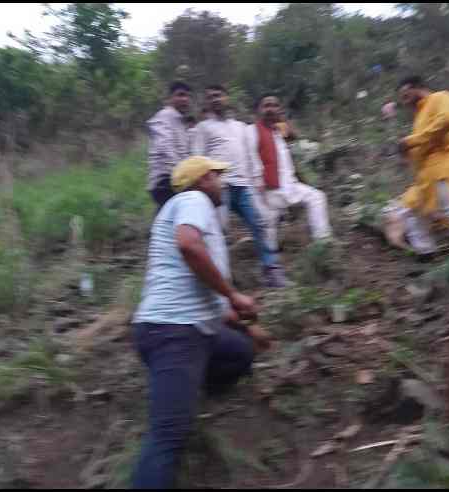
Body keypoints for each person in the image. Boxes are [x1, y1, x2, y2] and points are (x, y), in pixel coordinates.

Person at [130, 156, 273, 488]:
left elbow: (210, 299)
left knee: (240, 352)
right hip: (172, 333)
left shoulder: (197, 217)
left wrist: (247, 326)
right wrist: (235, 295)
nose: (221, 182)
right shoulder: (193, 201)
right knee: (168, 435)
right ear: (203, 179)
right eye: (217, 176)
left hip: (193, 330)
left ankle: (192, 387)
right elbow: (187, 246)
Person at [192, 85, 288, 288]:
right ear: (206, 103)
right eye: (211, 97)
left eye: (218, 95)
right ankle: (222, 280)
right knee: (219, 232)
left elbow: (251, 155)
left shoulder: (241, 127)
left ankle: (271, 271)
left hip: (244, 185)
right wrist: (205, 187)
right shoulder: (203, 128)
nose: (215, 99)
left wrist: (257, 179)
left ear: (227, 98)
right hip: (220, 187)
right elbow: (197, 159)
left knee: (260, 223)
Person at [391, 75, 449, 256]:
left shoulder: (442, 97)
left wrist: (411, 141)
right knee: (411, 209)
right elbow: (422, 144)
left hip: (444, 168)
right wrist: (407, 153)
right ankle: (425, 252)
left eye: (406, 95)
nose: (404, 101)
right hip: (425, 176)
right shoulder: (420, 114)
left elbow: (447, 120)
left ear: (416, 87)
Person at [246, 93, 332, 250]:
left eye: (275, 105)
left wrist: (284, 124)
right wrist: (258, 183)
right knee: (269, 225)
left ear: (280, 109)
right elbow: (251, 155)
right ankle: (270, 260)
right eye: (266, 106)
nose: (271, 109)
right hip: (268, 190)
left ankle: (323, 243)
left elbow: (294, 138)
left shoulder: (279, 130)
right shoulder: (252, 130)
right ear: (258, 110)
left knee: (317, 197)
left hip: (289, 185)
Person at [146, 81, 193, 212]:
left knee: (168, 220)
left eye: (188, 96)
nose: (185, 99)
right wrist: (182, 175)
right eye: (180, 95)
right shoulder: (164, 116)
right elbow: (165, 147)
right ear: (169, 99)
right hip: (166, 180)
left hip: (175, 179)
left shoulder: (181, 122)